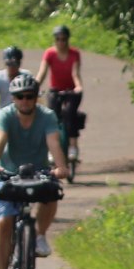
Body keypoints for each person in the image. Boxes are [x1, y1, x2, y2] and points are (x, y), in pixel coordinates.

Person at [0, 71, 70, 269]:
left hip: (37, 172)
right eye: (20, 96)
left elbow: (53, 142)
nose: (25, 101)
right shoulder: (5, 115)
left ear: (36, 98)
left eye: (30, 96)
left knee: (53, 192)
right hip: (9, 174)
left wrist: (60, 167)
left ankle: (40, 235)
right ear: (13, 98)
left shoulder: (47, 116)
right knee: (3, 223)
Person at [35, 25, 85, 171]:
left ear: (68, 40)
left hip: (71, 90)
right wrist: (34, 86)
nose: (61, 42)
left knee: (70, 114)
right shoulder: (49, 53)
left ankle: (73, 147)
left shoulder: (74, 53)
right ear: (55, 40)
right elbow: (42, 72)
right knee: (52, 117)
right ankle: (52, 150)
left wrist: (78, 87)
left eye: (64, 39)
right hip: (55, 91)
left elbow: (75, 73)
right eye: (58, 39)